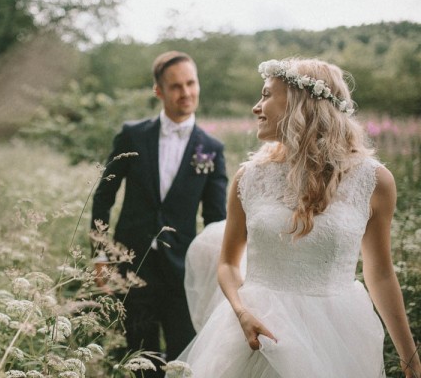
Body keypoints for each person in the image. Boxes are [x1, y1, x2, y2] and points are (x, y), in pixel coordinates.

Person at [175, 57, 421, 378]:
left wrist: (410, 357)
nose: (256, 106)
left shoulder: (374, 181)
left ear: (299, 103)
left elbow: (381, 273)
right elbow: (228, 264)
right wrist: (242, 312)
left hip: (337, 335)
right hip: (259, 333)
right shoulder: (249, 178)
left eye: (266, 95)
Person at [90, 50, 228, 377]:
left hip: (184, 273)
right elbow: (103, 196)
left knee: (185, 357)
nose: (186, 93)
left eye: (191, 83)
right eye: (176, 86)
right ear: (159, 91)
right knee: (139, 356)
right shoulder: (133, 135)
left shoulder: (211, 148)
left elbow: (215, 221)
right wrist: (100, 257)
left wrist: (216, 278)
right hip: (132, 266)